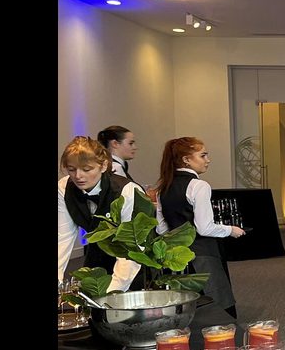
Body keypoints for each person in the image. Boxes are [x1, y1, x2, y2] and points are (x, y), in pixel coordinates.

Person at [154, 137, 244, 329]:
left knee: (183, 307)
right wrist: (231, 230)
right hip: (202, 253)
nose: (208, 159)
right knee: (217, 305)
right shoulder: (199, 186)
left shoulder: (163, 187)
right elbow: (204, 228)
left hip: (175, 257)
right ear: (186, 159)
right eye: (203, 155)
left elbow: (161, 229)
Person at [57, 136, 142, 291]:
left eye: (87, 169)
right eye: (71, 169)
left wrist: (112, 292)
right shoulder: (64, 188)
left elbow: (131, 248)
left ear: (103, 166)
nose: (78, 176)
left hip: (134, 262)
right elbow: (62, 238)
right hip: (95, 257)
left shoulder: (127, 191)